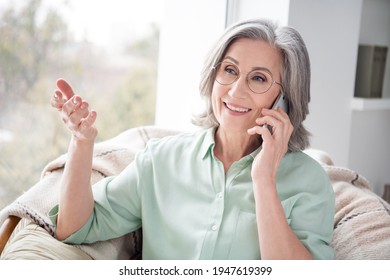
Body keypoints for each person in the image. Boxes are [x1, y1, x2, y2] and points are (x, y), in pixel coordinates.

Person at [49, 18, 335, 260]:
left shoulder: (309, 182)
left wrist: (263, 180)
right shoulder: (160, 160)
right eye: (230, 70)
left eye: (258, 78)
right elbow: (75, 228)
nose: (235, 92)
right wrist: (81, 142)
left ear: (285, 100)